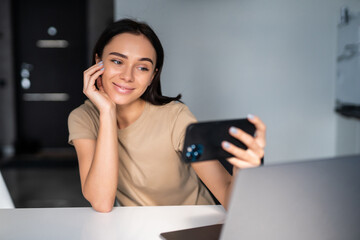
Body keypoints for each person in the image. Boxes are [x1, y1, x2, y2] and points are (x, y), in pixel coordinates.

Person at [68, 18, 266, 213]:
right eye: (118, 61)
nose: (127, 76)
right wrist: (107, 112)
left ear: (152, 76)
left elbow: (227, 196)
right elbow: (101, 202)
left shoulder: (175, 116)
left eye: (142, 67)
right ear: (98, 62)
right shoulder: (83, 118)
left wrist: (243, 170)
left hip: (192, 225)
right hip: (136, 229)